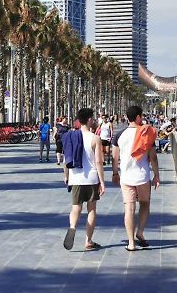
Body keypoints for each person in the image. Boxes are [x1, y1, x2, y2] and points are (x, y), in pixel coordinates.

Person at [112, 105, 160, 251]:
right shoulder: (146, 133)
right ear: (138, 117)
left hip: (126, 177)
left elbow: (115, 157)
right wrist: (156, 175)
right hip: (142, 176)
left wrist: (115, 173)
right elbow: (153, 157)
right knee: (145, 204)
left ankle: (131, 243)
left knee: (129, 209)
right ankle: (140, 232)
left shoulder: (119, 135)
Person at [62, 108, 105, 251]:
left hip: (76, 177)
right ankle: (88, 240)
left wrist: (66, 176)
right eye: (92, 118)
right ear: (88, 120)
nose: (93, 120)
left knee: (76, 208)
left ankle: (73, 226)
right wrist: (102, 182)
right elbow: (99, 162)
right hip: (91, 179)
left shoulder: (70, 136)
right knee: (91, 209)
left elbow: (66, 159)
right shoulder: (95, 138)